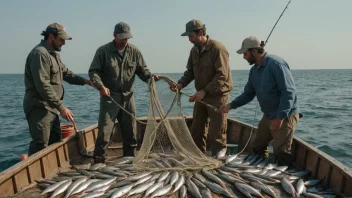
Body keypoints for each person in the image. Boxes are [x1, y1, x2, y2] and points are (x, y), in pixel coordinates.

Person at [218, 36, 301, 166]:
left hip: (284, 115)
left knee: (281, 153)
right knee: (257, 146)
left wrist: (280, 117)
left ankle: (281, 176)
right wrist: (230, 105)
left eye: (245, 53)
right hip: (268, 115)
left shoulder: (276, 64)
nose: (244, 57)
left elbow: (288, 92)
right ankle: (263, 170)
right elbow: (248, 94)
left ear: (254, 51)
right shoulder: (254, 70)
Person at [89, 22, 159, 163]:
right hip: (110, 98)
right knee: (105, 131)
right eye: (122, 38)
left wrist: (150, 78)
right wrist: (101, 86)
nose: (124, 41)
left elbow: (142, 70)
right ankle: (99, 160)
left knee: (130, 131)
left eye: (127, 38)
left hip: (129, 97)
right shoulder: (103, 51)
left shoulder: (134, 51)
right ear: (114, 36)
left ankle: (129, 160)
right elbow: (93, 72)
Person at [23, 23, 95, 156]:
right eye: (61, 39)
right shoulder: (40, 54)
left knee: (55, 141)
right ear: (51, 36)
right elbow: (43, 86)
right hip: (39, 108)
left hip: (51, 108)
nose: (63, 43)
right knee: (40, 145)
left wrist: (87, 82)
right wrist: (62, 108)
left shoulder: (54, 55)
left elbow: (66, 73)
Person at [171, 19, 233, 158]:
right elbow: (190, 72)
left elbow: (222, 75)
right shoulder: (194, 51)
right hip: (201, 95)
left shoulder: (218, 49)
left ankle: (219, 161)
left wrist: (204, 91)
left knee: (217, 133)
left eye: (191, 36)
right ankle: (198, 158)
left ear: (201, 33)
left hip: (218, 96)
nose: (189, 40)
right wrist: (180, 84)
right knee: (197, 130)